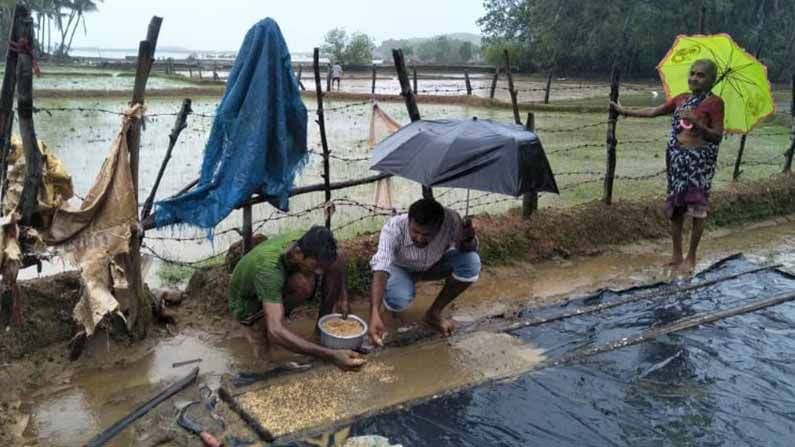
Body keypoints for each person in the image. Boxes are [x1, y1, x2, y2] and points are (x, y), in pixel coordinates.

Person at [610, 58, 724, 275]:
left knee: (697, 210)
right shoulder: (681, 99)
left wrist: (699, 123)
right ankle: (676, 255)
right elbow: (654, 111)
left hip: (699, 165)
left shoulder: (715, 103)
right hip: (677, 162)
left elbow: (717, 136)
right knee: (676, 209)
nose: (694, 78)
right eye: (692, 73)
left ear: (712, 80)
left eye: (701, 75)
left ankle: (691, 257)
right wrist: (623, 110)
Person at [229, 226, 366, 370]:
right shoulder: (269, 271)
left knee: (313, 276)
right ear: (298, 253)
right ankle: (260, 326)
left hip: (277, 279)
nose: (319, 272)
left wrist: (343, 297)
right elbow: (275, 332)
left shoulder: (307, 241)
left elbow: (339, 256)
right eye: (315, 265)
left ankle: (319, 332)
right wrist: (331, 355)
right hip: (246, 305)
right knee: (270, 355)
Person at [368, 198, 480, 346]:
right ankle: (389, 312)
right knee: (398, 298)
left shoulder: (452, 220)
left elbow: (467, 249)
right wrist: (374, 313)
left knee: (471, 262)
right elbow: (381, 268)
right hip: (400, 268)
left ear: (440, 227)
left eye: (427, 234)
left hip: (434, 264)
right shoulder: (393, 228)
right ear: (409, 221)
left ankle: (433, 314)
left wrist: (468, 238)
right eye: (415, 231)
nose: (419, 238)